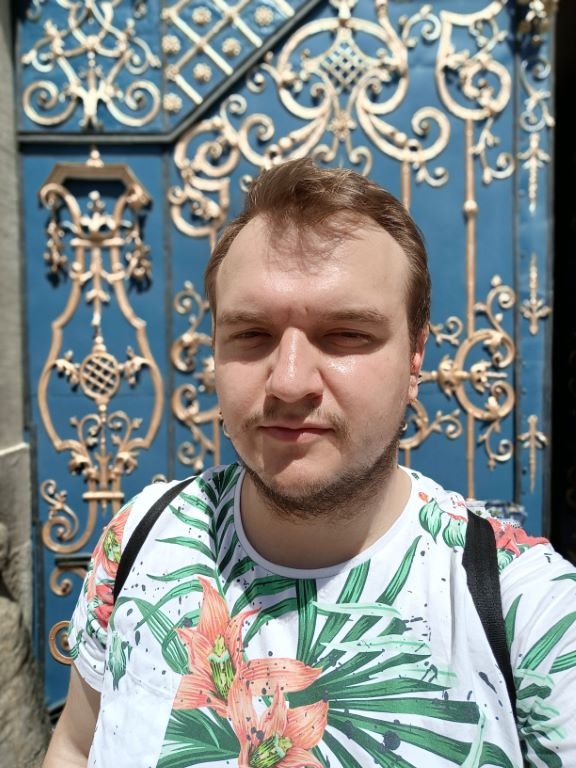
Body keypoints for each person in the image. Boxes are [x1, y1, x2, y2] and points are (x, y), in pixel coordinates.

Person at [43, 158, 576, 767]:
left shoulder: (529, 612)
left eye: (346, 334)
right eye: (252, 334)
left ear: (416, 358)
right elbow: (77, 743)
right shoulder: (141, 536)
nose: (290, 382)